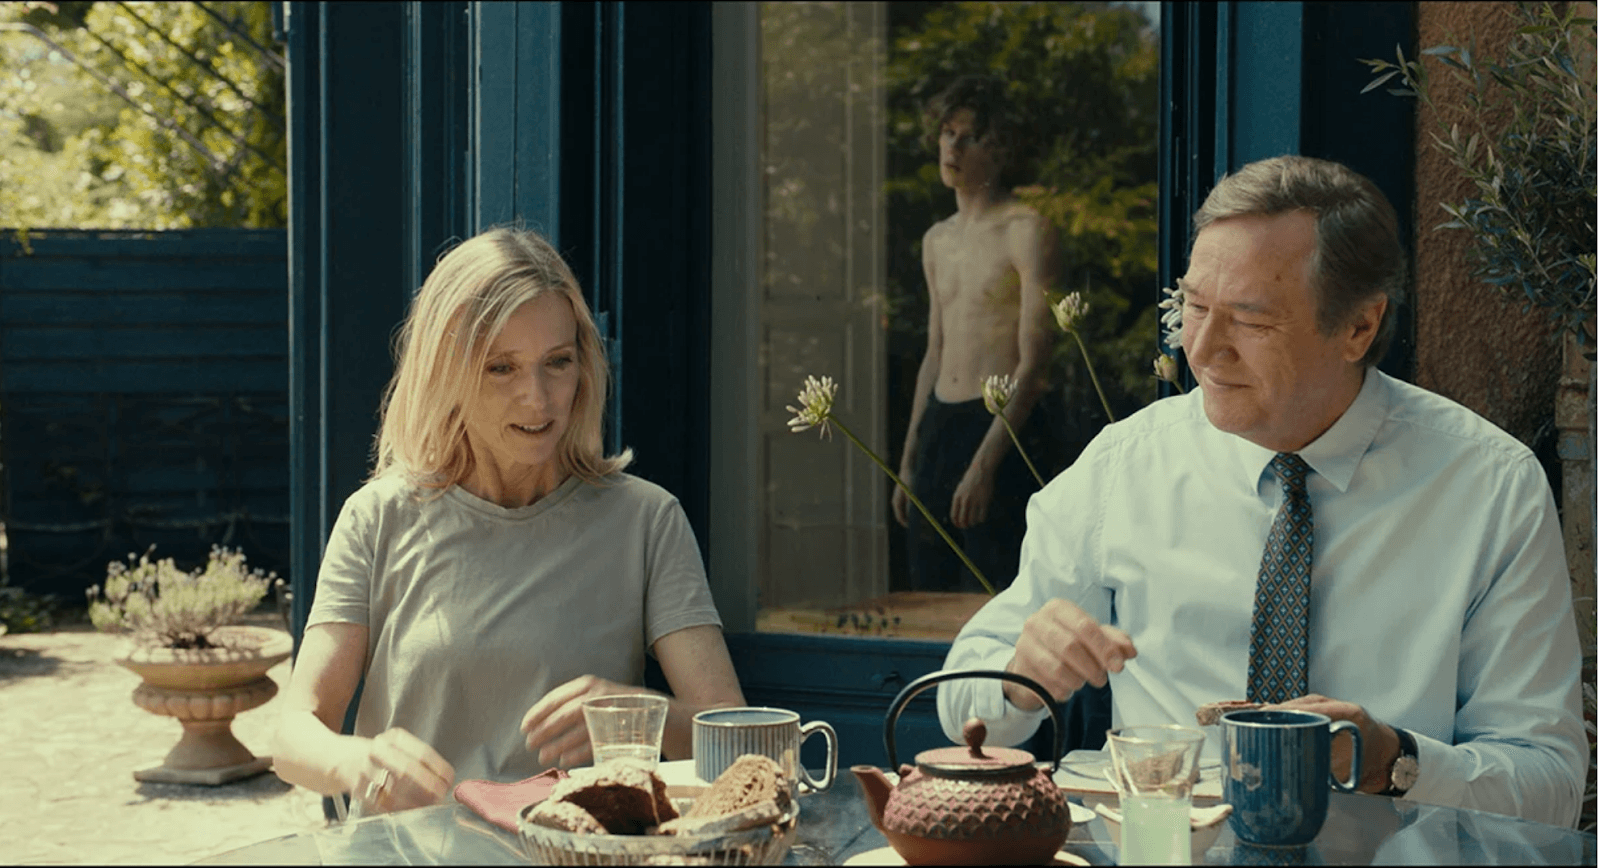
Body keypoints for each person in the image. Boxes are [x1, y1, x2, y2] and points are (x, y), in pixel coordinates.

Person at [937, 155, 1588, 827]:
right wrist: (1021, 678)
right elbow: (961, 704)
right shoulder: (1123, 468)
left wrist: (1393, 762)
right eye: (1194, 306)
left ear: (1359, 327)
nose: (1202, 350)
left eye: (1250, 321)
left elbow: (1551, 787)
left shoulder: (1490, 488)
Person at [273, 227, 746, 815]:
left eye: (558, 362)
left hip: (573, 853)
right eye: (501, 368)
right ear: (445, 371)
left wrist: (637, 715)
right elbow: (294, 733)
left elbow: (734, 737)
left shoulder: (648, 521)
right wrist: (357, 762)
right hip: (408, 855)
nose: (538, 399)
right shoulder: (377, 518)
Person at [893, 74, 1063, 594]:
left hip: (999, 426)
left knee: (996, 593)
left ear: (1000, 148)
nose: (953, 148)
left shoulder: (1025, 230)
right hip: (940, 423)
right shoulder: (936, 240)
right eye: (948, 134)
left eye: (970, 138)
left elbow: (1035, 362)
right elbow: (934, 352)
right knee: (928, 588)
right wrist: (908, 460)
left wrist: (985, 464)